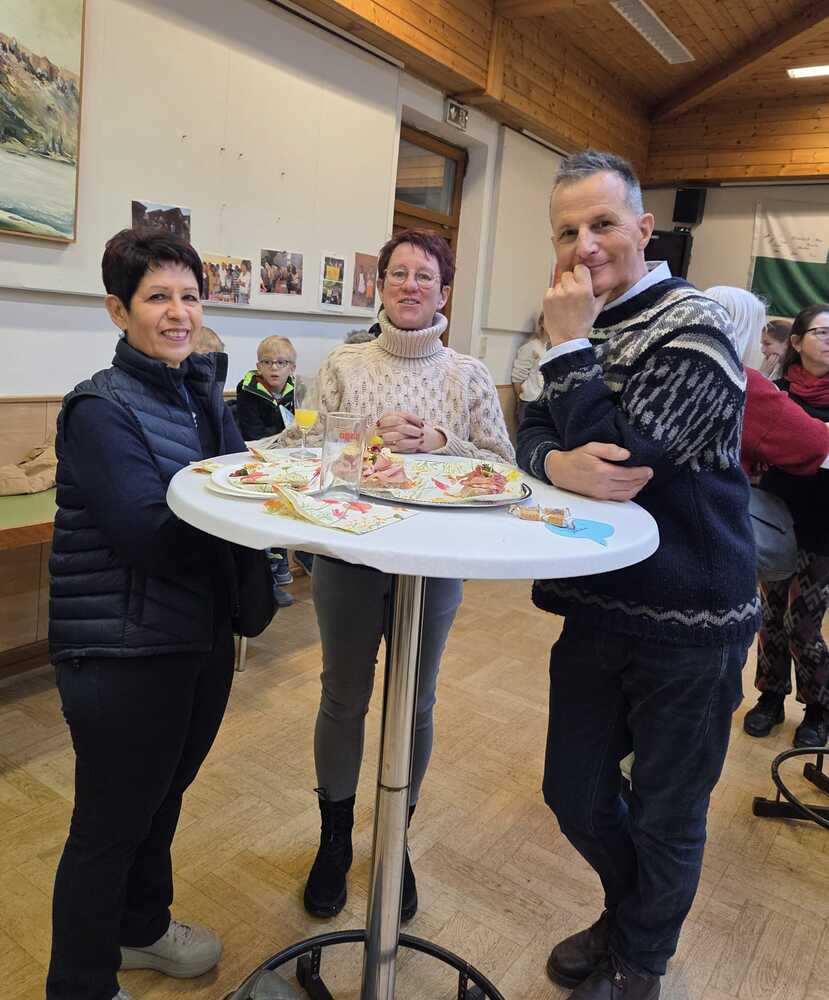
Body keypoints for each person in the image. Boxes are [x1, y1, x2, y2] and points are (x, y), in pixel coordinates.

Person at [517, 151, 759, 1000]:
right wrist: (556, 460)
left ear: (644, 228)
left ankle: (639, 959)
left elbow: (628, 459)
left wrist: (568, 350)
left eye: (602, 224)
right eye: (566, 231)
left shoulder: (693, 326)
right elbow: (529, 432)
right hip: (597, 606)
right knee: (573, 792)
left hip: (691, 617)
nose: (583, 246)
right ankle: (629, 919)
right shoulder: (572, 321)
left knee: (665, 811)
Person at [47, 229, 271, 1000]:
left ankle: (139, 927)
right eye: (157, 297)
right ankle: (80, 984)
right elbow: (148, 534)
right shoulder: (97, 408)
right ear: (119, 311)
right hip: (119, 649)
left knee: (161, 796)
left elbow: (244, 483)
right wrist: (257, 511)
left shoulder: (200, 391)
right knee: (107, 827)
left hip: (194, 637)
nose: (178, 313)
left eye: (189, 296)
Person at [278, 229, 514, 923]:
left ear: (444, 292)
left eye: (424, 276)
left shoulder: (468, 375)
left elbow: (504, 465)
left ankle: (394, 839)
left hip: (435, 564)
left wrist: (440, 441)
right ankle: (334, 839)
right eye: (398, 274)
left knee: (416, 702)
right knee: (342, 697)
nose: (410, 286)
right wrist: (358, 437)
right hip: (349, 558)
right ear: (380, 287)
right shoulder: (344, 365)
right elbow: (302, 448)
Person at [747, 303, 829, 748]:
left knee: (805, 624)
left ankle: (819, 708)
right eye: (822, 332)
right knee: (770, 616)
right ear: (796, 342)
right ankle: (770, 697)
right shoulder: (776, 393)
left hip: (823, 529)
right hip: (775, 520)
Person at [236, 335, 298, 608]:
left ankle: (287, 554)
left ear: (292, 368)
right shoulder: (248, 390)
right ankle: (267, 576)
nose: (274, 367)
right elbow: (253, 432)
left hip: (288, 458)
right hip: (258, 457)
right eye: (268, 362)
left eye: (281, 362)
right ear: (258, 365)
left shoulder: (298, 390)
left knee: (288, 504)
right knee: (265, 511)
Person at [511, 309, 549, 424]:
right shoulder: (531, 347)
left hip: (545, 402)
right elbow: (517, 377)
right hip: (529, 401)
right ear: (541, 323)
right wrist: (518, 401)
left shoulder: (550, 348)